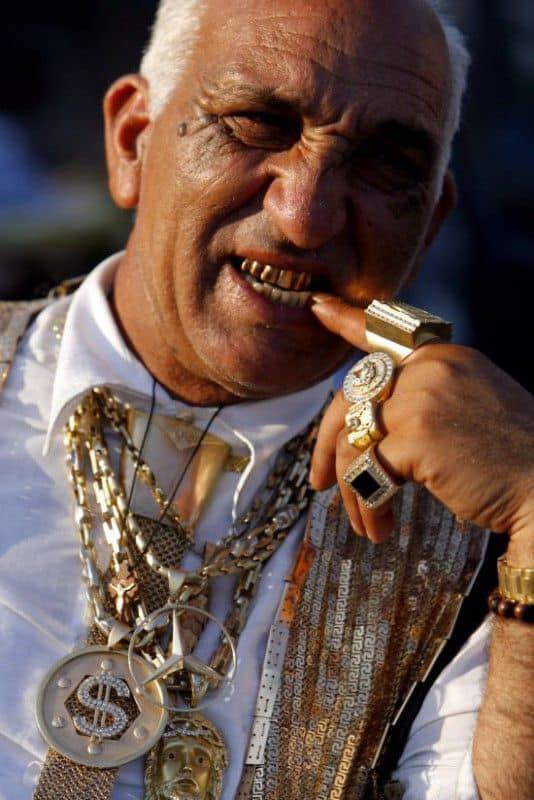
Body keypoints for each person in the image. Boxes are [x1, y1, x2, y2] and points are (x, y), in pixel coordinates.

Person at [0, 1, 532, 799]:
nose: (305, 216)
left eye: (385, 164)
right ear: (133, 141)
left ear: (429, 226)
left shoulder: (482, 534)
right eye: (255, 125)